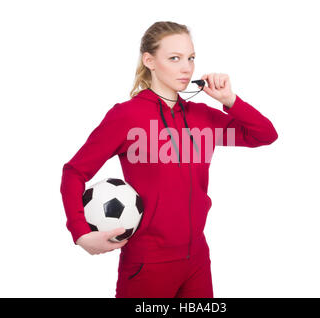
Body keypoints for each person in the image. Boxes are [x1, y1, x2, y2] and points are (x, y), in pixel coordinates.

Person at [60, 21, 278, 298]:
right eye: (174, 58)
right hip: (147, 263)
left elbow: (265, 135)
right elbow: (74, 171)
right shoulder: (126, 116)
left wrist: (230, 99)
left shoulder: (202, 117)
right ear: (149, 60)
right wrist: (80, 233)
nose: (186, 68)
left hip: (197, 260)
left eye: (190, 58)